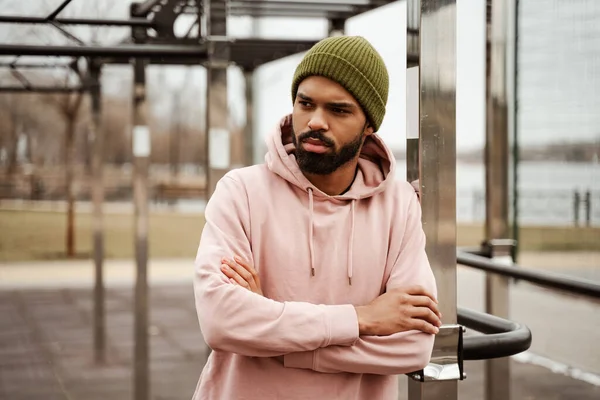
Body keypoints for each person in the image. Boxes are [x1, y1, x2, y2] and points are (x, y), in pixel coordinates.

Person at [192, 35, 441, 400]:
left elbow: (413, 346)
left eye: (338, 110)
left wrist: (272, 331)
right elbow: (222, 322)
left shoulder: (399, 205)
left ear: (369, 125)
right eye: (305, 104)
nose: (315, 122)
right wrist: (363, 318)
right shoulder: (240, 192)